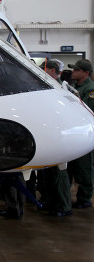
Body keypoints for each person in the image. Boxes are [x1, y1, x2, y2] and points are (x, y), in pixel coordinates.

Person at [37, 60, 72, 216]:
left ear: (51, 70)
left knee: (59, 176)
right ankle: (52, 202)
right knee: (51, 177)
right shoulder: (50, 87)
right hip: (51, 139)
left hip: (60, 140)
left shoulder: (59, 89)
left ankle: (64, 207)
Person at [66, 59, 94, 209]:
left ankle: (84, 198)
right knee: (70, 168)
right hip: (73, 134)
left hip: (85, 134)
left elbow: (87, 111)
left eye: (76, 70)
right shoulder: (73, 88)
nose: (73, 72)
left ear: (86, 73)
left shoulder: (90, 90)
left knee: (84, 169)